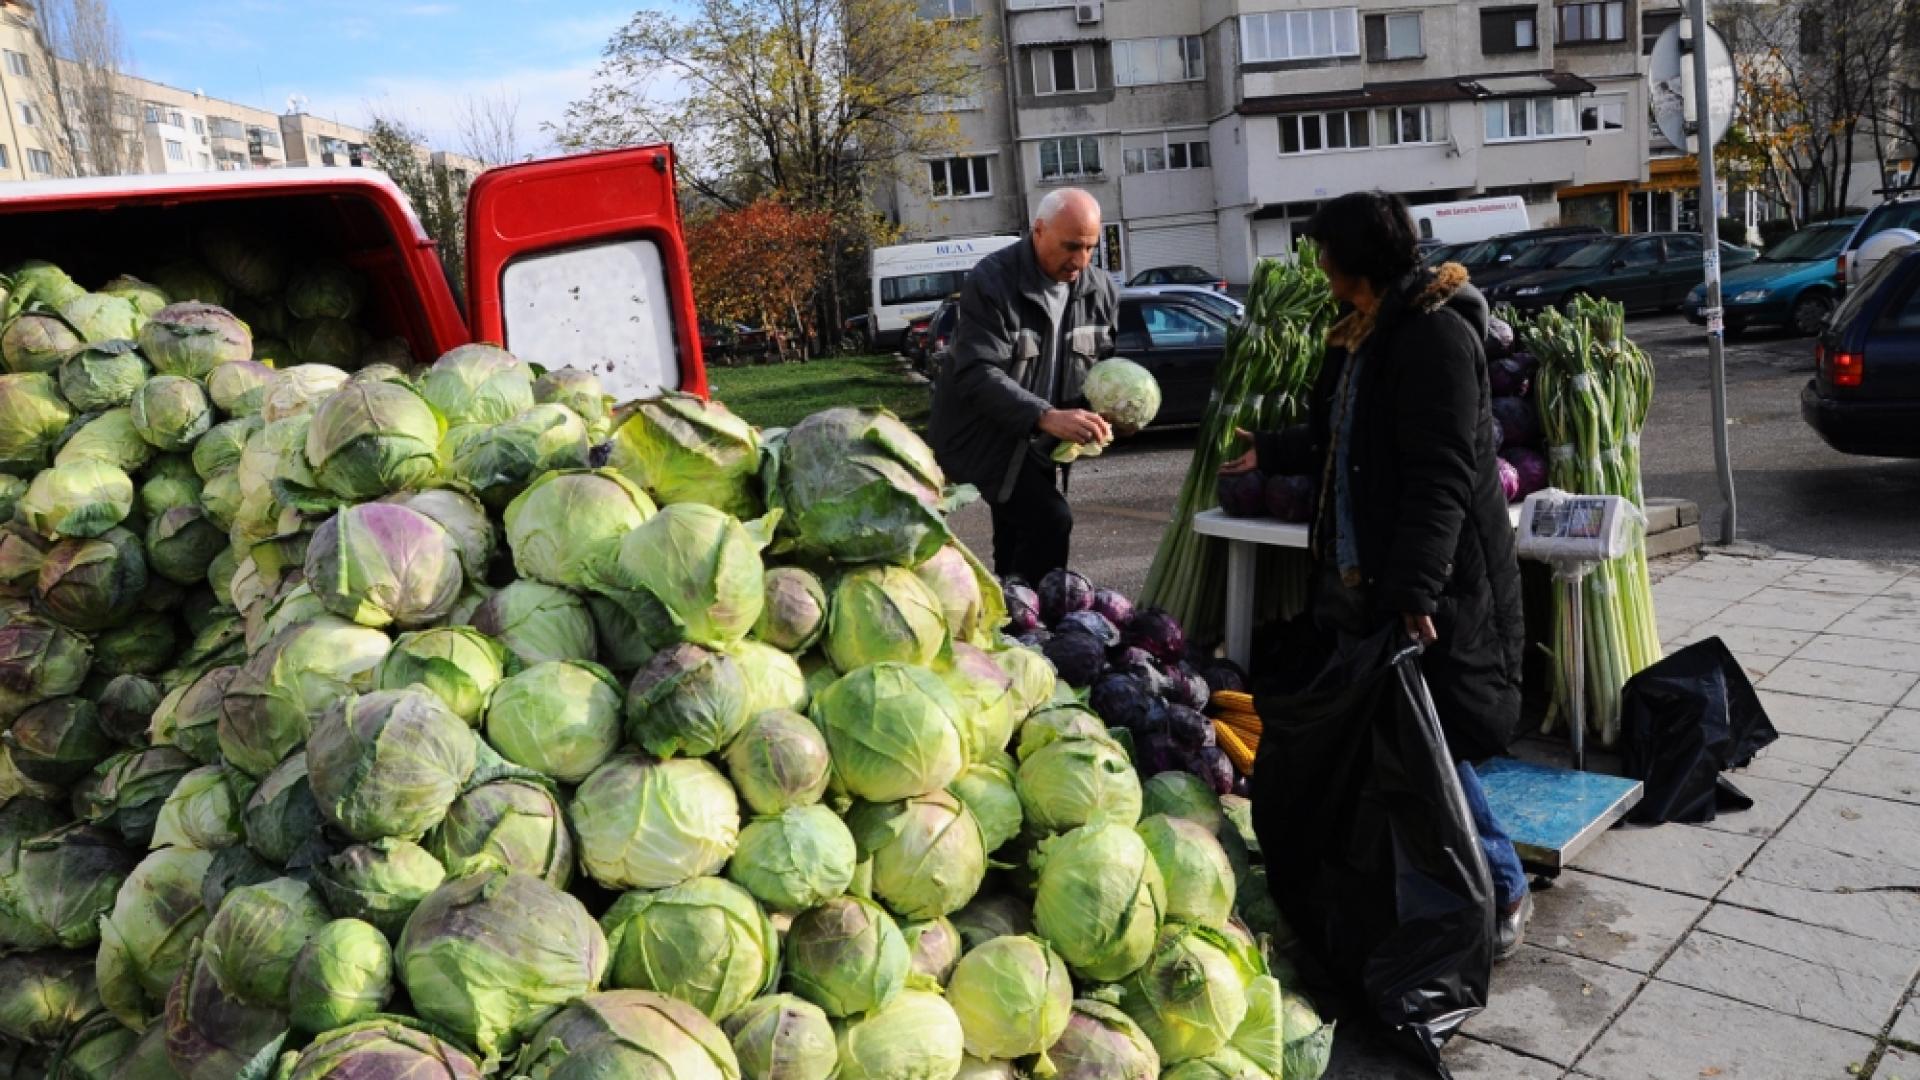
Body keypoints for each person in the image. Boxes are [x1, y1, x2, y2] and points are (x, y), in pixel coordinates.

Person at [1222, 190, 1532, 956]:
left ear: (1355, 258)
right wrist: (1276, 449)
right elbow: (1341, 434)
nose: (1317, 263)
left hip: (1433, 578)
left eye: (1325, 250)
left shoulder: (1433, 337)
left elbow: (1443, 476)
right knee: (1402, 734)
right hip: (1366, 576)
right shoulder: (1361, 333)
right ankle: (1422, 883)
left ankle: (1503, 883)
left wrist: (1415, 589)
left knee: (1431, 738)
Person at [929, 188, 1118, 584]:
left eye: (1090, 248)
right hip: (986, 435)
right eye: (1070, 247)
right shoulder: (992, 281)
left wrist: (1111, 412)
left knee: (1017, 536)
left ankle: (1015, 621)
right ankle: (1044, 619)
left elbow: (1102, 368)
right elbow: (976, 371)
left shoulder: (1100, 290)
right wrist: (1045, 416)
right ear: (1039, 230)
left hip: (1041, 444)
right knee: (1051, 520)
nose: (1079, 261)